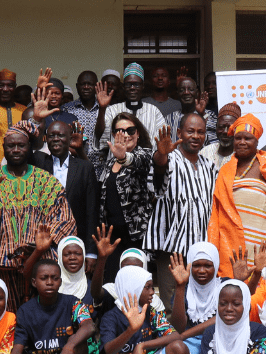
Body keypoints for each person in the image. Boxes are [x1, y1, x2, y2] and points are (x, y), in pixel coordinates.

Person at [0, 121, 76, 310]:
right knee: (3, 316)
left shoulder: (46, 180)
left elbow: (64, 218)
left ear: (30, 148)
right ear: (4, 148)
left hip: (39, 265)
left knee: (37, 316)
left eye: (21, 145)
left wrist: (43, 243)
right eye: (11, 145)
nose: (16, 149)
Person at [207, 114, 266, 273]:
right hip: (229, 245)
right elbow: (217, 212)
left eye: (247, 138)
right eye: (238, 138)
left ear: (257, 141)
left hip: (260, 244)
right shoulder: (226, 171)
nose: (241, 142)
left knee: (259, 287)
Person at [143, 115, 215, 304]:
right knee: (172, 305)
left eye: (200, 132)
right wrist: (161, 155)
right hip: (171, 249)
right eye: (190, 131)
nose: (196, 136)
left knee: (199, 302)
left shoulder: (209, 167)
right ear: (179, 133)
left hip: (200, 251)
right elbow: (158, 177)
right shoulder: (169, 158)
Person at [96, 113, 156, 282]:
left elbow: (137, 162)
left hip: (136, 237)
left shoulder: (146, 156)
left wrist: (123, 157)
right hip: (112, 238)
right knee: (112, 285)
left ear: (138, 133)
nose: (126, 135)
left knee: (137, 286)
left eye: (130, 130)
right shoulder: (109, 163)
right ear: (114, 135)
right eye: (120, 131)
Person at [31, 120, 100, 264]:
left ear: (70, 139)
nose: (56, 139)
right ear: (46, 139)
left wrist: (91, 253)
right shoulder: (38, 161)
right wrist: (35, 120)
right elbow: (23, 143)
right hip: (45, 243)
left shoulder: (84, 167)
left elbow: (91, 212)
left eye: (61, 135)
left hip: (75, 243)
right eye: (51, 136)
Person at [96, 63, 168, 148]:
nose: (132, 88)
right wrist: (102, 108)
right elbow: (99, 136)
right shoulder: (112, 110)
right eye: (128, 84)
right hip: (118, 160)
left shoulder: (154, 111)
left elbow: (163, 142)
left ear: (143, 86)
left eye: (136, 84)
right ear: (123, 87)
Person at [165, 77, 215, 143]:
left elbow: (213, 144)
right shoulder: (169, 118)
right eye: (182, 90)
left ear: (197, 93)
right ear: (177, 94)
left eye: (190, 89)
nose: (186, 92)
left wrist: (201, 115)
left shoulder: (209, 114)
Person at [62, 71, 101, 153]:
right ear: (77, 86)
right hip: (76, 161)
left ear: (96, 86)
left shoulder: (106, 109)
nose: (86, 87)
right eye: (83, 84)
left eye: (90, 84)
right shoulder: (66, 109)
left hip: (102, 162)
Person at [199, 103, 241, 173]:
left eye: (230, 128)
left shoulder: (241, 156)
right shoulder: (205, 152)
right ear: (216, 127)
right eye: (221, 127)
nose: (225, 132)